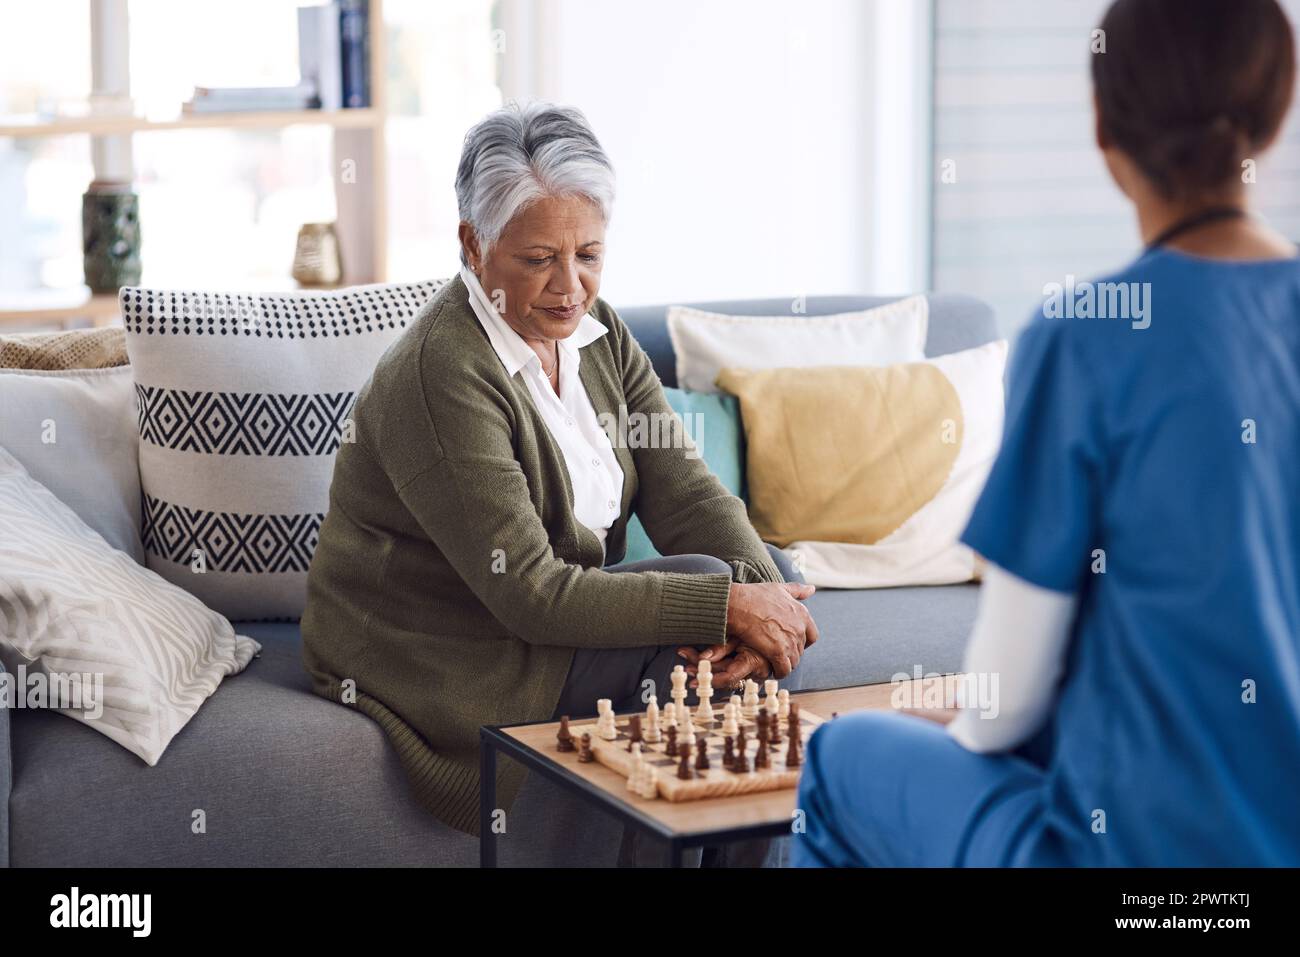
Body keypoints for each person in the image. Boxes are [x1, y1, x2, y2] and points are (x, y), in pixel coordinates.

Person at [794, 0, 1300, 867]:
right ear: (1278, 109)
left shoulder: (1086, 338)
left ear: (1104, 125)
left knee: (838, 759)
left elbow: (1004, 706)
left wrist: (959, 721)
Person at [301, 102, 818, 863]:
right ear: (474, 246)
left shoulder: (597, 335)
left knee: (766, 574)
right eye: (539, 258)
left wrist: (760, 591)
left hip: (544, 611)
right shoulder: (441, 373)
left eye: (589, 254)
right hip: (448, 645)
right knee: (712, 599)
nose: (570, 286)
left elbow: (686, 491)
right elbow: (530, 592)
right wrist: (728, 601)